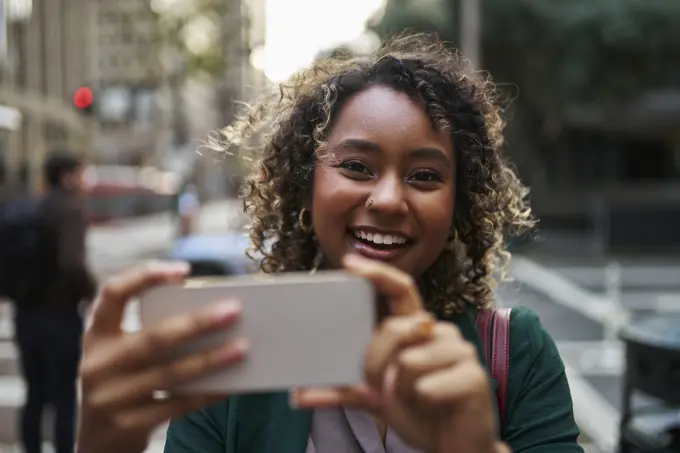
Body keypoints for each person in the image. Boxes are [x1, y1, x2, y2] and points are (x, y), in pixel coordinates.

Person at [76, 34, 583, 453]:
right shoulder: (228, 356)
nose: (387, 199)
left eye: (425, 175)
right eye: (356, 167)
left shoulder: (516, 354)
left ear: (458, 205)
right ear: (306, 185)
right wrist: (102, 442)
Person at [15, 151, 97, 453]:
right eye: (81, 174)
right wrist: (92, 292)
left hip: (26, 316)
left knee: (34, 394)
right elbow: (72, 264)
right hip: (60, 318)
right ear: (67, 176)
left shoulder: (33, 207)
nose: (85, 181)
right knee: (64, 397)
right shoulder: (70, 210)